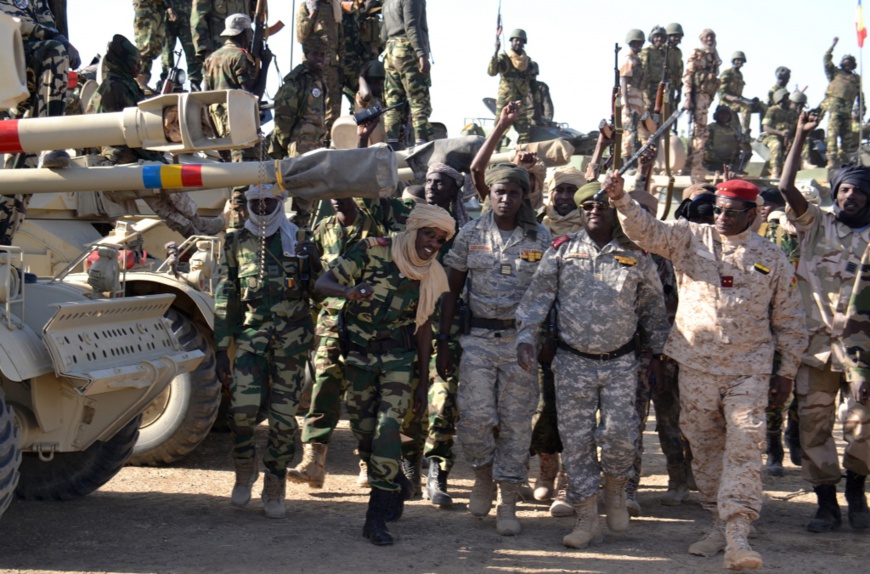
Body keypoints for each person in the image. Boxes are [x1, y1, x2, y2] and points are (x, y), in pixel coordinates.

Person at [606, 174, 807, 570]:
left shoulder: (772, 256)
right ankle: (717, 521)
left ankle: (737, 533)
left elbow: (789, 318)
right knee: (704, 448)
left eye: (732, 213)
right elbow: (648, 232)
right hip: (696, 366)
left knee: (745, 445)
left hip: (748, 370)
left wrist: (786, 371)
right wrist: (622, 201)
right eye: (717, 210)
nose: (721, 218)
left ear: (753, 214)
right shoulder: (690, 238)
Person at [516, 179, 669, 549]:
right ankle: (586, 518)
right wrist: (526, 338)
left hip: (620, 363)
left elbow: (653, 310)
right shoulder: (562, 251)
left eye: (602, 206)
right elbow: (537, 300)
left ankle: (616, 488)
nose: (594, 212)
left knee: (620, 436)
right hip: (572, 363)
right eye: (588, 207)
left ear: (614, 212)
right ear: (581, 213)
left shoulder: (637, 255)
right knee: (578, 443)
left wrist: (661, 355)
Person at [437, 102, 551, 536]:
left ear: (524, 197)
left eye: (514, 192)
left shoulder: (539, 237)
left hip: (520, 341)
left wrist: (544, 339)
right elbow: (451, 288)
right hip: (478, 339)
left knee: (518, 422)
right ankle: (482, 475)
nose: (506, 198)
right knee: (475, 417)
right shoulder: (471, 234)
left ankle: (507, 501)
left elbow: (549, 294)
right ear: (491, 194)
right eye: (499, 192)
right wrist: (444, 341)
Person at [315, 203, 456, 545]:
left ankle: (375, 518)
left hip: (398, 360)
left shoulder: (430, 271)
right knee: (364, 434)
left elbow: (423, 329)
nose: (433, 244)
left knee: (388, 430)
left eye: (440, 239)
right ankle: (395, 483)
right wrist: (349, 291)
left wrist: (423, 383)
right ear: (413, 230)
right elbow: (323, 282)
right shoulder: (373, 251)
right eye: (428, 234)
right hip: (360, 357)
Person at [778, 110, 870, 533]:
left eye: (858, 192)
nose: (850, 196)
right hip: (815, 348)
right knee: (814, 425)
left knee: (863, 427)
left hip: (862, 354)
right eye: (845, 189)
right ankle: (826, 501)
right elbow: (784, 187)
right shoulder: (817, 225)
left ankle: (856, 489)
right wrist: (799, 135)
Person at [214, 183, 322, 519]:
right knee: (241, 413)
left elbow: (320, 290)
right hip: (252, 340)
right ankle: (245, 470)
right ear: (246, 205)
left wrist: (314, 264)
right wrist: (220, 348)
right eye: (255, 202)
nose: (262, 208)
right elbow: (225, 294)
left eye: (269, 202)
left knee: (282, 421)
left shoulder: (300, 240)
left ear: (280, 202)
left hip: (291, 343)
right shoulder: (234, 242)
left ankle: (275, 482)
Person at [88, 34, 225, 237]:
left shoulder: (121, 83)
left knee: (158, 192)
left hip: (127, 152)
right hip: (121, 154)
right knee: (163, 178)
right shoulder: (116, 86)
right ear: (124, 62)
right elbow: (131, 127)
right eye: (135, 62)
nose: (139, 67)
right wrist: (154, 154)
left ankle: (192, 227)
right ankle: (194, 225)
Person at [287, 196, 378, 490]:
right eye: (333, 194)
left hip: (366, 323)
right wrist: (309, 261)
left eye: (344, 192)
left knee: (363, 394)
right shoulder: (322, 228)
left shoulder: (372, 227)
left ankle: (368, 461)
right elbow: (317, 281)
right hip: (330, 321)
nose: (338, 199)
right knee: (323, 387)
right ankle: (313, 463)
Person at [531, 166, 586, 506]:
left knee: (577, 412)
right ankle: (545, 471)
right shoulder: (537, 231)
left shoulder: (592, 231)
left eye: (571, 191)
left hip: (579, 337)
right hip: (538, 337)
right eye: (559, 191)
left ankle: (567, 480)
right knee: (542, 408)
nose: (564, 198)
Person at [0, 0, 80, 168]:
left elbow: (48, 28)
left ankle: (13, 192)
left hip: (29, 71)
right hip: (9, 61)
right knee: (55, 52)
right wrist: (55, 38)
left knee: (25, 150)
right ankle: (52, 140)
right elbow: (10, 23)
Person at [268, 36, 328, 228]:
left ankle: (303, 230)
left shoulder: (318, 78)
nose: (319, 59)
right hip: (300, 143)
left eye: (322, 55)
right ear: (306, 55)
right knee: (304, 191)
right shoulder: (298, 80)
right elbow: (284, 115)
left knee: (311, 195)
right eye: (315, 54)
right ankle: (298, 232)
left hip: (316, 143)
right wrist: (284, 143)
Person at [203, 13, 271, 162]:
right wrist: (265, 66)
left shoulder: (211, 59)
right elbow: (252, 98)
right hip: (240, 128)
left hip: (219, 126)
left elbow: (205, 99)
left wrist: (217, 139)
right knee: (245, 178)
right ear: (245, 33)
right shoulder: (240, 57)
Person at [381, 0, 431, 148]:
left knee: (393, 103)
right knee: (418, 100)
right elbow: (411, 25)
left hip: (390, 51)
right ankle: (422, 145)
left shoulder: (387, 3)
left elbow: (383, 34)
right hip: (407, 50)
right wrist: (421, 54)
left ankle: (392, 145)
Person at [296, 0, 344, 138]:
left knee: (333, 113)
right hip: (312, 68)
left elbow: (341, 39)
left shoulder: (334, 7)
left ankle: (330, 143)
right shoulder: (306, 6)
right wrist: (313, 13)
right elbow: (301, 35)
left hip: (332, 67)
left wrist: (341, 65)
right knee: (311, 109)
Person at [487, 28, 538, 147]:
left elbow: (533, 84)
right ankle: (491, 155)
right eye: (516, 40)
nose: (518, 43)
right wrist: (495, 52)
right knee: (499, 130)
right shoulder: (504, 58)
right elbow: (491, 72)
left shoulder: (528, 63)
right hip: (505, 101)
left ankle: (522, 157)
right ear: (511, 41)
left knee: (524, 133)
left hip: (521, 102)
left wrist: (537, 106)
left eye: (521, 41)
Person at [683, 29, 721, 182]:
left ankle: (690, 165)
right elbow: (688, 75)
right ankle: (696, 166)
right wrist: (688, 97)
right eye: (707, 37)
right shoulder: (698, 53)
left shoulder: (713, 56)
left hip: (706, 97)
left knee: (699, 131)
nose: (710, 39)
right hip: (697, 96)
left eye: (712, 36)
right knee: (701, 131)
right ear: (702, 39)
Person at [822, 37, 862, 170]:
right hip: (835, 108)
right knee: (832, 135)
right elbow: (826, 59)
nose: (848, 64)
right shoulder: (835, 73)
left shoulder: (856, 78)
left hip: (848, 110)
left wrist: (862, 106)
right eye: (846, 61)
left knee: (847, 137)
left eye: (850, 62)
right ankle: (832, 160)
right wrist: (833, 45)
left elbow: (860, 94)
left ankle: (844, 160)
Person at [717, 51, 766, 138]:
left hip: (737, 102)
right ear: (733, 61)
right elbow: (721, 92)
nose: (739, 62)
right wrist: (732, 98)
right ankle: (745, 132)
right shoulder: (727, 73)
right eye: (738, 60)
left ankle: (764, 131)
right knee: (745, 107)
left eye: (741, 61)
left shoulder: (739, 75)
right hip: (726, 103)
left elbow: (739, 96)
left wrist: (750, 100)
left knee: (762, 105)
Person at [761, 90, 802, 179]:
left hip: (788, 137)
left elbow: (796, 125)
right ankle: (775, 170)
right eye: (785, 98)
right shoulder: (773, 110)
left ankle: (803, 165)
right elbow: (766, 127)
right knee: (777, 145)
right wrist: (780, 133)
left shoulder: (792, 112)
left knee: (801, 142)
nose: (788, 100)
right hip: (771, 136)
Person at [162, 0, 202, 90]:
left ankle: (195, 82)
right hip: (168, 13)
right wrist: (167, 7)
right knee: (167, 50)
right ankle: (167, 81)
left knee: (192, 50)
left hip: (189, 13)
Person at [621, 29, 648, 162]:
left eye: (640, 43)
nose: (638, 46)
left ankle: (640, 158)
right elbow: (624, 83)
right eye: (636, 43)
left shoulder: (637, 59)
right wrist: (626, 105)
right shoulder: (628, 59)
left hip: (638, 97)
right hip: (630, 97)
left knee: (641, 130)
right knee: (628, 129)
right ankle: (626, 159)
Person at [132, 0, 167, 92]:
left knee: (156, 47)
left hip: (159, 7)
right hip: (146, 5)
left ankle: (143, 81)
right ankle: (138, 81)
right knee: (145, 45)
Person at [703, 105, 742, 173]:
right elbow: (706, 145)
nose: (724, 116)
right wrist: (715, 158)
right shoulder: (711, 128)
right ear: (716, 115)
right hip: (713, 164)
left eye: (727, 114)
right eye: (722, 113)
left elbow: (739, 144)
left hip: (730, 164)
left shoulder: (733, 130)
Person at [640, 26, 667, 113]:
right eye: (657, 37)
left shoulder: (665, 53)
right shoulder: (647, 52)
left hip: (663, 88)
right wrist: (645, 93)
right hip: (649, 88)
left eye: (662, 37)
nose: (659, 39)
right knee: (648, 113)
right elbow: (643, 72)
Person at [665, 23, 684, 108]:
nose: (677, 39)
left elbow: (679, 72)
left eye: (678, 36)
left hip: (673, 88)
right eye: (674, 36)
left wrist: (679, 91)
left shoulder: (678, 52)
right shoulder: (662, 50)